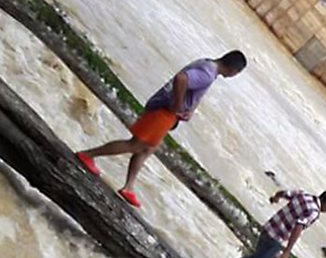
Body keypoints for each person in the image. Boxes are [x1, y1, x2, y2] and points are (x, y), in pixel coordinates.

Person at [75, 51, 247, 207]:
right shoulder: (208, 74)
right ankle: (88, 155)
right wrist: (177, 105)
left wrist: (189, 109)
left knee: (148, 148)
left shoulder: (208, 64)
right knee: (136, 145)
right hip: (164, 111)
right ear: (233, 70)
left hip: (167, 112)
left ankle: (129, 187)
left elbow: (190, 86)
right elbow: (182, 79)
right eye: (237, 73)